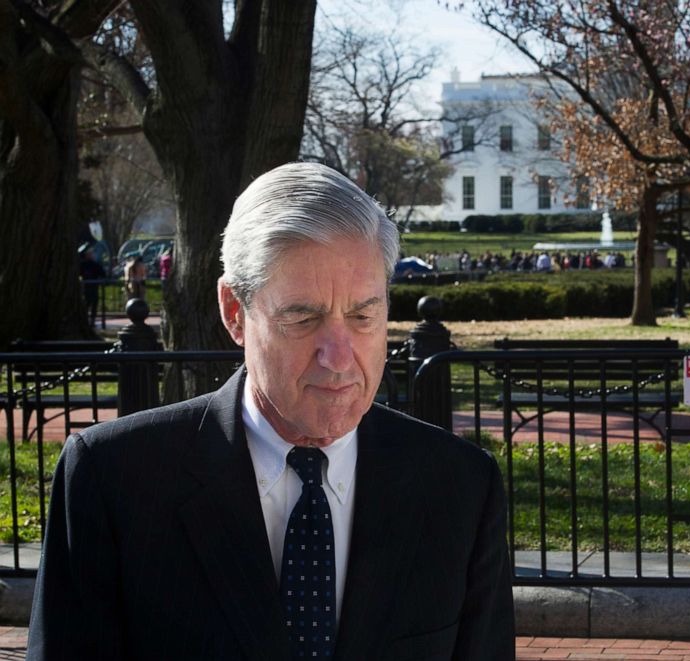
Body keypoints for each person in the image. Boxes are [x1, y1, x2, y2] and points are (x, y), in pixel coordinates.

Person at [27, 163, 515, 660]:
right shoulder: (115, 478)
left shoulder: (460, 486)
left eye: (363, 315)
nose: (340, 357)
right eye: (303, 317)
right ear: (234, 312)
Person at [78, 247, 105, 326]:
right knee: (88, 304)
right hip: (88, 287)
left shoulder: (94, 265)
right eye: (90, 254)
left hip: (92, 287)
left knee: (92, 304)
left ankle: (91, 321)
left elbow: (102, 273)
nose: (92, 255)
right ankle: (86, 320)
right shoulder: (84, 264)